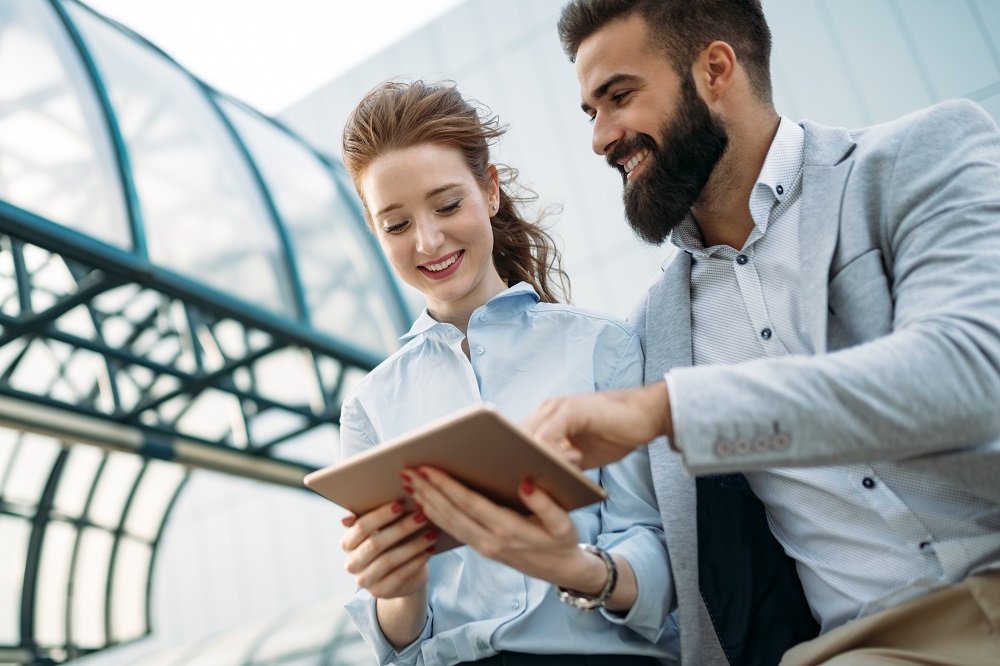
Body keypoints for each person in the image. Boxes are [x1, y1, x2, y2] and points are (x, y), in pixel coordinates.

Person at [514, 1, 1000, 665]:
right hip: (860, 646)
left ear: (716, 70)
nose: (600, 138)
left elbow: (967, 375)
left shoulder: (920, 155)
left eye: (618, 97)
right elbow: (648, 544)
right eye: (590, 112)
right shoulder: (652, 336)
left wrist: (669, 409)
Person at [335, 79, 678, 666]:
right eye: (395, 225)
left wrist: (573, 567)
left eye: (447, 205)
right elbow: (398, 645)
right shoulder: (372, 405)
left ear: (490, 191)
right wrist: (401, 588)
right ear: (374, 232)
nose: (429, 239)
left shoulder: (603, 346)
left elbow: (661, 554)